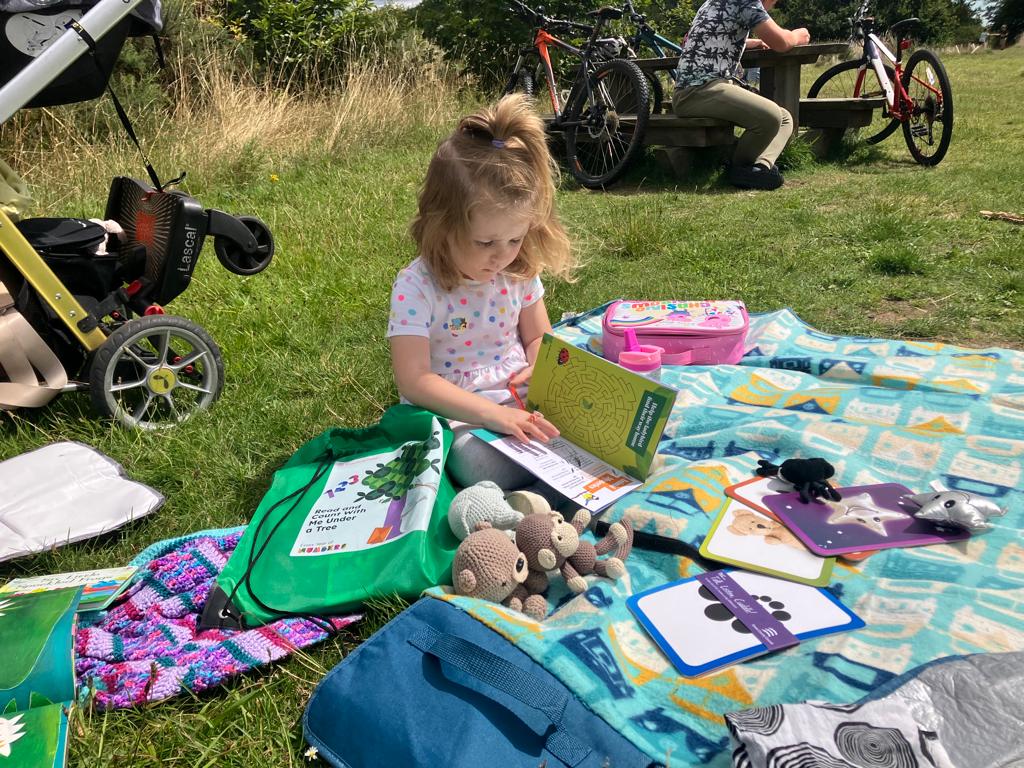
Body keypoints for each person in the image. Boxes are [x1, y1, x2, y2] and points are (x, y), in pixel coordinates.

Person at [387, 94, 575, 491]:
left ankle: (548, 497)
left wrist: (541, 365)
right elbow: (415, 380)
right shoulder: (417, 286)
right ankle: (541, 500)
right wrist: (495, 417)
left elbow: (539, 336)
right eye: (485, 242)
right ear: (442, 226)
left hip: (519, 396)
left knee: (588, 431)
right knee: (481, 467)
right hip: (457, 411)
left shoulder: (518, 269)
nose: (501, 256)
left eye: (514, 239)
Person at [672, 0, 811, 190]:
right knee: (771, 117)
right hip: (696, 92)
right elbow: (781, 42)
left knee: (785, 118)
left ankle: (760, 168)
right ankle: (738, 167)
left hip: (701, 89)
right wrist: (798, 35)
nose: (771, 7)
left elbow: (717, 34)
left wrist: (751, 43)